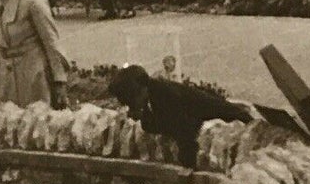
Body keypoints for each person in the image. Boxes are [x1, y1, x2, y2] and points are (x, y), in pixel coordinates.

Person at [109, 64, 254, 169]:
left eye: (131, 101)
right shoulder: (153, 93)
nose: (130, 106)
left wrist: (188, 168)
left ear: (141, 90)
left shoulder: (165, 95)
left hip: (234, 119)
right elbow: (154, 124)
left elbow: (185, 130)